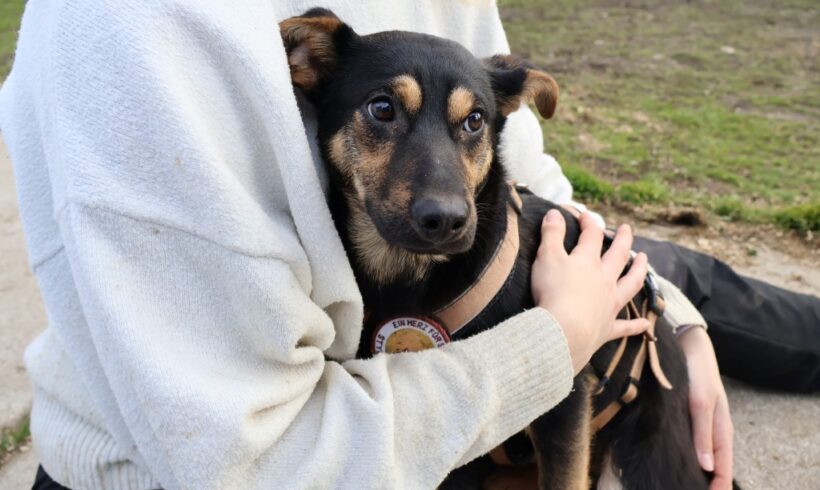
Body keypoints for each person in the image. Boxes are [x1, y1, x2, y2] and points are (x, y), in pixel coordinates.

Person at [1, 1, 737, 489]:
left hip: (509, 349)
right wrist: (553, 343)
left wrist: (670, 312)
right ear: (304, 71)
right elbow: (246, 457)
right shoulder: (131, 27)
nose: (444, 199)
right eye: (384, 114)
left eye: (468, 127)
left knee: (706, 291)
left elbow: (536, 178)